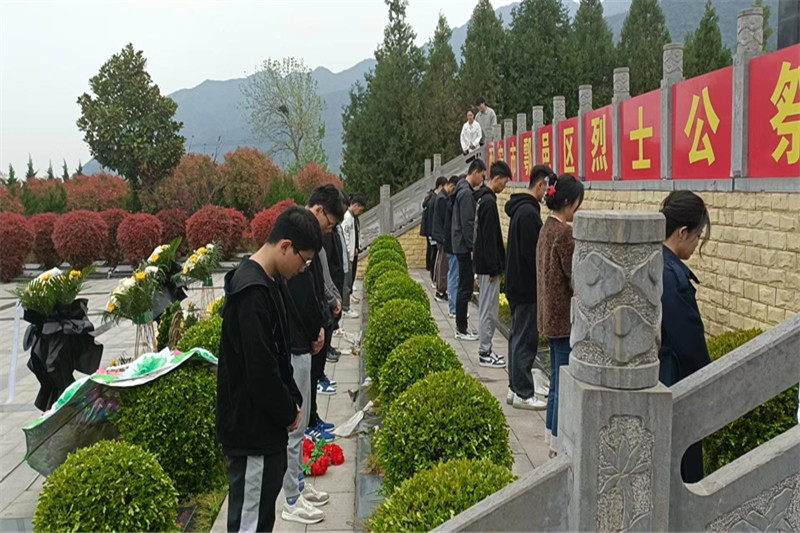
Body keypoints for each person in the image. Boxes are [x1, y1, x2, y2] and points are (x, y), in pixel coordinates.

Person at [217, 206, 322, 533]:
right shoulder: (251, 292)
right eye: (304, 261)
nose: (303, 270)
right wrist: (287, 410)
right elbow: (260, 370)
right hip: (253, 433)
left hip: (265, 429)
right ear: (286, 246)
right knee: (250, 524)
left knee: (261, 518)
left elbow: (278, 354)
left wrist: (292, 399)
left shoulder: (269, 281)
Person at [283, 185, 347, 525]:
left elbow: (318, 285)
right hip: (296, 342)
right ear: (319, 210)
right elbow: (300, 295)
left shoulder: (309, 238)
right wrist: (314, 328)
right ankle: (291, 498)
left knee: (302, 420)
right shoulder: (297, 239)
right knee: (294, 425)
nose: (329, 230)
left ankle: (297, 484)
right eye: (330, 224)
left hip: (306, 339)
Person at [659, 190, 712, 483]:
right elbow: (690, 347)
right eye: (697, 236)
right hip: (675, 385)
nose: (696, 244)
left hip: (659, 384)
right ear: (682, 232)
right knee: (682, 473)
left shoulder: (651, 261)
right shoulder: (672, 278)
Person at [537, 173, 584, 457]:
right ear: (568, 202)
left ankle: (551, 438)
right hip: (563, 319)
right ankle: (558, 443)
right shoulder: (564, 234)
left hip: (548, 316)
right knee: (563, 384)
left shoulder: (547, 228)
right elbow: (575, 277)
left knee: (555, 381)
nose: (578, 209)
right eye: (577, 203)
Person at [505, 165, 552, 411]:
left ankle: (515, 387)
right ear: (540, 184)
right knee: (525, 340)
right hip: (525, 287)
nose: (548, 193)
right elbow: (534, 256)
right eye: (548, 187)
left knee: (517, 337)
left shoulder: (521, 210)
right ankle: (523, 392)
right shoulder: (529, 214)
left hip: (516, 285)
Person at [474, 161, 510, 368]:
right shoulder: (487, 202)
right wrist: (493, 268)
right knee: (489, 310)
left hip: (485, 266)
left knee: (487, 308)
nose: (504, 186)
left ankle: (486, 349)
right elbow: (488, 239)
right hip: (489, 269)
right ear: (496, 178)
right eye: (504, 182)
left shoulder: (483, 199)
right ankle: (485, 352)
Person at [452, 159, 486, 341]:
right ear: (475, 172)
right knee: (465, 287)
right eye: (482, 176)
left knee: (463, 286)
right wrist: (472, 247)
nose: (482, 180)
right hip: (464, 247)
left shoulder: (461, 189)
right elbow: (468, 223)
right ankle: (461, 328)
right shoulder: (465, 193)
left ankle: (461, 326)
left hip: (460, 244)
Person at [341, 193, 366, 318]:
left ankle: (346, 304)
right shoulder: (347, 218)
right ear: (355, 205)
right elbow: (345, 238)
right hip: (347, 256)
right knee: (346, 282)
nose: (359, 212)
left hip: (351, 254)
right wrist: (348, 254)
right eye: (360, 209)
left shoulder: (353, 218)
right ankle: (345, 308)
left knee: (349, 280)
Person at [430, 177, 450, 301]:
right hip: (441, 236)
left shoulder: (440, 197)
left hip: (439, 235)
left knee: (440, 261)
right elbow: (444, 219)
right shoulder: (442, 199)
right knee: (442, 263)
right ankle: (440, 290)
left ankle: (440, 288)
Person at [444, 175, 461, 319]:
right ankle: (453, 308)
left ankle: (453, 306)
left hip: (450, 244)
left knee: (453, 274)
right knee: (454, 275)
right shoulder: (454, 202)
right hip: (454, 245)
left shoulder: (449, 200)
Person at [420, 187, 437, 286]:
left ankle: (428, 265)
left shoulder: (427, 200)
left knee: (429, 248)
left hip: (427, 229)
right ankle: (430, 266)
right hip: (430, 229)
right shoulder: (433, 201)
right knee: (432, 250)